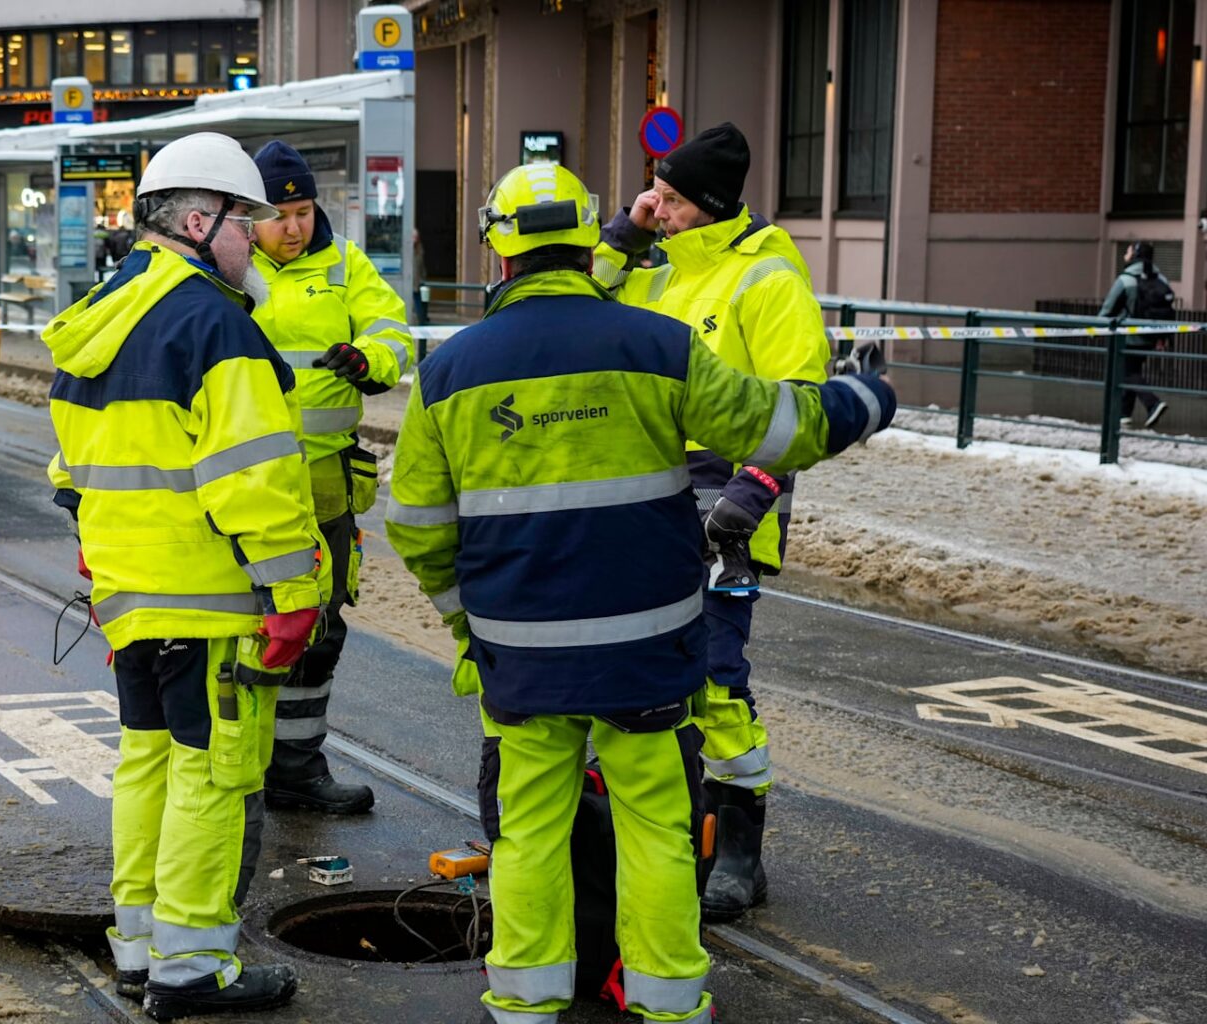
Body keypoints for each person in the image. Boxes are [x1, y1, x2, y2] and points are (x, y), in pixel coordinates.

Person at [386, 160, 895, 1024]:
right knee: (658, 824)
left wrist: (466, 622)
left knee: (528, 829)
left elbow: (417, 526)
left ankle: (523, 1001)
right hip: (649, 647)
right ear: (591, 243)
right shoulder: (657, 345)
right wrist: (865, 397)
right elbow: (778, 427)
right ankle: (666, 1003)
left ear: (497, 252)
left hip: (523, 651)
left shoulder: (450, 372)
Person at [45, 131, 327, 1020]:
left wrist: (110, 566)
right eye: (248, 222)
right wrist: (294, 593)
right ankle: (193, 967)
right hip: (211, 600)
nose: (260, 241)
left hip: (131, 597)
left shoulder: (103, 311)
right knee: (211, 778)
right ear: (200, 221)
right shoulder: (212, 320)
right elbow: (258, 480)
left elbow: (71, 472)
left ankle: (138, 948)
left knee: (147, 766)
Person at [589, 122, 831, 921]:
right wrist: (624, 232)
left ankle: (739, 854)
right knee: (649, 683)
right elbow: (579, 300)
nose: (661, 208)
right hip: (651, 508)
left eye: (673, 199)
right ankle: (675, 832)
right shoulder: (660, 275)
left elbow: (801, 405)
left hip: (727, 511)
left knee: (717, 683)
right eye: (657, 194)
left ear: (712, 206)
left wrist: (752, 495)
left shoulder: (769, 280)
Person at [245, 139, 413, 815]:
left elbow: (393, 333)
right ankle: (239, 768)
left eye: (305, 212)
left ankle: (294, 768)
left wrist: (367, 357)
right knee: (248, 627)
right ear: (247, 218)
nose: (293, 227)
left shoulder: (346, 265)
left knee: (318, 630)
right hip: (246, 486)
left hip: (324, 486)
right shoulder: (225, 270)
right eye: (278, 216)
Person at [1099, 241, 1171, 428]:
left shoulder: (1126, 280)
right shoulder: (1161, 279)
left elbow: (1108, 307)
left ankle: (1152, 403)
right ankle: (1124, 415)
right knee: (1132, 371)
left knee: (1127, 372)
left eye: (1128, 251)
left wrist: (1094, 328)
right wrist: (1162, 337)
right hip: (1149, 337)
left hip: (1128, 337)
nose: (1125, 254)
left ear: (1135, 255)